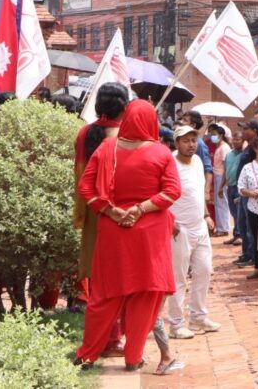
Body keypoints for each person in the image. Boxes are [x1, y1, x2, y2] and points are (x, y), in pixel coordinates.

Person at [76, 100, 182, 371]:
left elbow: (85, 187)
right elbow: (172, 191)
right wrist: (140, 208)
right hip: (149, 234)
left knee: (104, 295)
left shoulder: (106, 148)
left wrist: (110, 211)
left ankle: (87, 354)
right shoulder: (161, 153)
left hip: (113, 231)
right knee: (144, 296)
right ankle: (133, 357)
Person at [71, 82, 128, 353]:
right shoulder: (127, 135)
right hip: (122, 212)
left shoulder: (85, 133)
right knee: (121, 276)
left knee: (97, 277)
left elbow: (80, 178)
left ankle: (102, 337)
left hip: (95, 211)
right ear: (124, 106)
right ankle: (117, 336)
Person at [167, 125, 219, 339]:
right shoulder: (170, 162)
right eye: (186, 140)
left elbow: (198, 192)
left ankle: (198, 317)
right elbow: (162, 193)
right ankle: (176, 324)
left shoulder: (197, 162)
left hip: (199, 226)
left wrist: (206, 215)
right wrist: (169, 220)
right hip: (179, 228)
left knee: (204, 271)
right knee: (178, 278)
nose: (191, 145)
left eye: (193, 140)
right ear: (176, 142)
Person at [237, 137, 258, 280]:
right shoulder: (248, 167)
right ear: (256, 149)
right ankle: (257, 267)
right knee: (256, 237)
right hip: (253, 207)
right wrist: (250, 193)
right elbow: (241, 187)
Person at [233, 120, 258, 265]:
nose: (243, 131)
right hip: (243, 191)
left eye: (246, 128)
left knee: (250, 226)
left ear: (255, 131)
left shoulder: (255, 148)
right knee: (242, 224)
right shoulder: (248, 147)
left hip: (252, 194)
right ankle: (246, 253)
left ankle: (252, 255)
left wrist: (250, 191)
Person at [208, 124, 233, 238]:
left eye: (214, 134)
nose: (212, 137)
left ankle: (223, 228)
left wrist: (223, 183)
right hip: (218, 176)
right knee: (219, 203)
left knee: (222, 203)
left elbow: (226, 166)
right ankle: (222, 227)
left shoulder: (224, 148)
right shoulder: (220, 147)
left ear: (221, 135)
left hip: (221, 176)